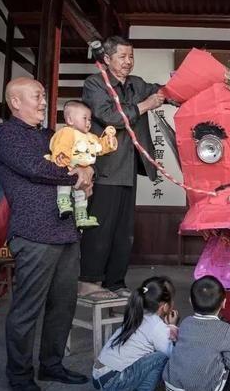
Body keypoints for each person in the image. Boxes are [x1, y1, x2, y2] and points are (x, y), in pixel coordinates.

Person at [0, 77, 93, 391]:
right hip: (34, 233)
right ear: (15, 101)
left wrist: (88, 170)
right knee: (27, 308)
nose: (44, 102)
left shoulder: (52, 135)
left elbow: (82, 154)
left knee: (63, 305)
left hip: (66, 232)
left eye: (44, 96)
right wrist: (76, 174)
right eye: (37, 96)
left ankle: (51, 365)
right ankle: (20, 375)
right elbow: (34, 167)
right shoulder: (5, 135)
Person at [79, 35, 165, 299]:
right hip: (105, 168)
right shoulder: (95, 83)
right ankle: (89, 281)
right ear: (107, 59)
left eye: (131, 56)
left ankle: (116, 282)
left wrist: (188, 89)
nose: (128, 62)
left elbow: (163, 91)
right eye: (122, 57)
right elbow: (109, 116)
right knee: (100, 227)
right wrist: (145, 106)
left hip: (129, 168)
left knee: (123, 231)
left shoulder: (136, 84)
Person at [92, 276, 178, 390]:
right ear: (165, 307)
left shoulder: (137, 316)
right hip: (113, 381)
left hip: (99, 377)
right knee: (160, 358)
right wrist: (172, 327)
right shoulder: (157, 326)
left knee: (151, 356)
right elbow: (173, 355)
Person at [163, 276, 230, 391]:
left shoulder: (186, 322)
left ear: (190, 301)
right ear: (224, 303)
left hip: (171, 385)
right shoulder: (225, 329)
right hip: (202, 388)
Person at [47, 100, 118, 229]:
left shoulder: (90, 137)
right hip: (68, 167)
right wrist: (62, 159)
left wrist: (109, 141)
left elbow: (99, 147)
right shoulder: (67, 132)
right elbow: (61, 146)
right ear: (70, 119)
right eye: (84, 118)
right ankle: (63, 205)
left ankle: (81, 218)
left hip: (84, 171)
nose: (88, 122)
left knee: (82, 196)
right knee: (64, 186)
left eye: (90, 119)